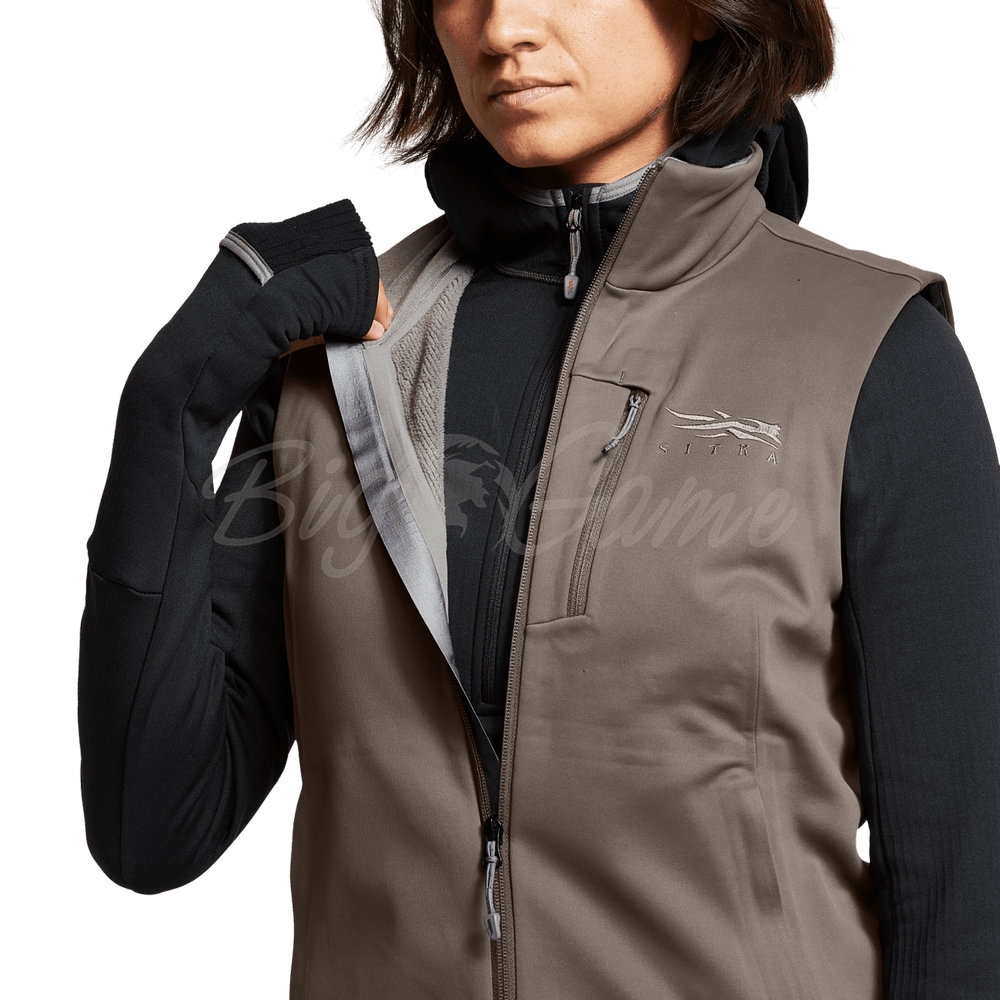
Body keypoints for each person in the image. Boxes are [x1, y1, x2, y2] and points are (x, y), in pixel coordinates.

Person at [77, 0, 1000, 997]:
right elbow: (152, 829)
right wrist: (173, 406)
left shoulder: (872, 356)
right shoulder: (340, 359)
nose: (503, 26)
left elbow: (964, 893)